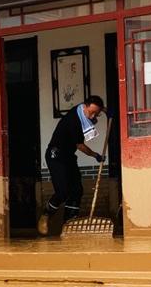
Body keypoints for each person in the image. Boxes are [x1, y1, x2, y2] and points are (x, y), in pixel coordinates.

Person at [37, 95, 106, 236]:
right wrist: (95, 155)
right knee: (63, 191)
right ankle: (45, 215)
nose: (92, 116)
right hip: (55, 156)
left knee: (77, 190)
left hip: (68, 156)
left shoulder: (82, 110)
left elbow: (96, 107)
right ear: (85, 106)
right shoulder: (74, 120)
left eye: (95, 113)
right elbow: (80, 146)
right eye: (91, 112)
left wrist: (105, 110)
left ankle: (68, 224)